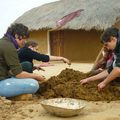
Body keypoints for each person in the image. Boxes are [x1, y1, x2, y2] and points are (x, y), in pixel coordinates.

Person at [0, 23, 45, 98]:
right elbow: (19, 74)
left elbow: (11, 70)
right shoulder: (9, 47)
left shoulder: (4, 42)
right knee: (33, 84)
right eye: (25, 38)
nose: (25, 41)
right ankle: (12, 95)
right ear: (17, 36)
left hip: (3, 76)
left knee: (26, 67)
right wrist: (37, 76)